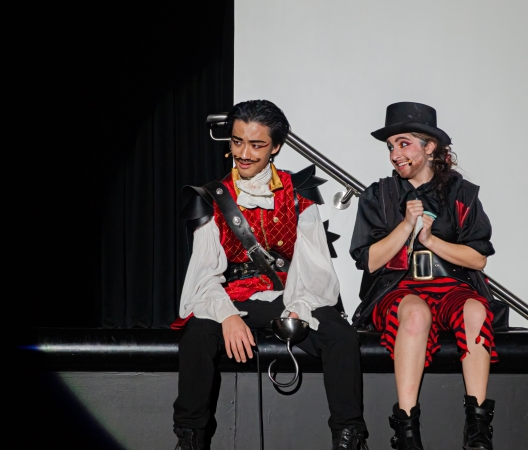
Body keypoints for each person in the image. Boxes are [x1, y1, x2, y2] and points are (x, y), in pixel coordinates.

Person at [172, 100, 368, 450]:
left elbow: (315, 265)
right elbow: (203, 276)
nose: (243, 153)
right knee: (197, 335)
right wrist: (228, 316)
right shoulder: (212, 198)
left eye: (256, 144)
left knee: (341, 336)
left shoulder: (299, 194)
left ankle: (349, 438)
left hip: (288, 295)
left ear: (276, 146)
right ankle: (189, 440)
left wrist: (299, 306)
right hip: (234, 298)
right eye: (236, 142)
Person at [350, 102, 499, 450]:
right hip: (396, 289)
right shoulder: (379, 195)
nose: (395, 154)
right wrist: (405, 227)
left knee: (476, 311)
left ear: (430, 146)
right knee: (417, 312)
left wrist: (432, 241)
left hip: (450, 287)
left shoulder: (461, 194)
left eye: (403, 144)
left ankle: (477, 427)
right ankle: (406, 429)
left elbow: (477, 259)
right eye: (391, 147)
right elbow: (369, 261)